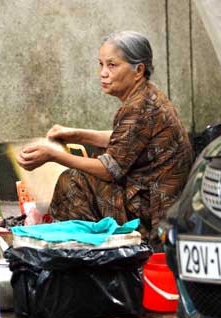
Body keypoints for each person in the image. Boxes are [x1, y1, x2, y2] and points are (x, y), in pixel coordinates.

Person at [17, 31, 193, 250]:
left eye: (112, 65)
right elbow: (127, 140)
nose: (103, 73)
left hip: (153, 212)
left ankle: (86, 255)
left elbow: (110, 170)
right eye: (101, 64)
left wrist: (53, 155)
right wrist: (75, 134)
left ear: (138, 70)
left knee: (73, 182)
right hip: (160, 201)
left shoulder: (139, 107)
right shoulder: (148, 95)